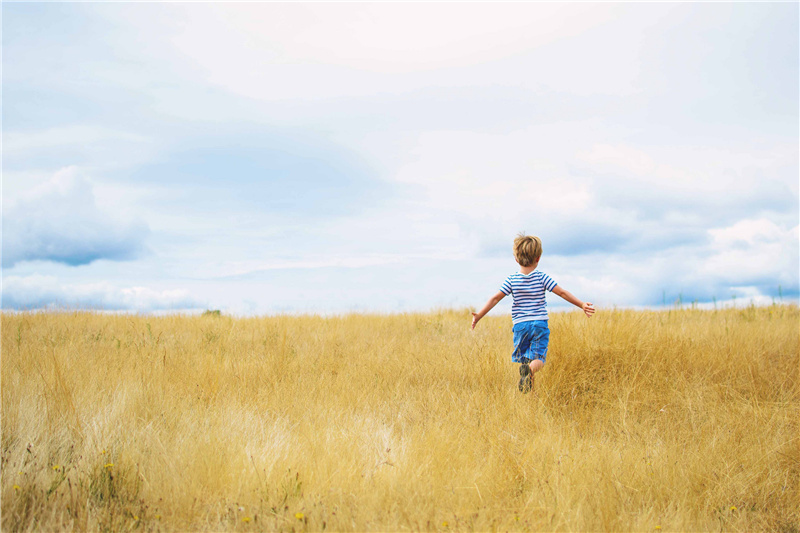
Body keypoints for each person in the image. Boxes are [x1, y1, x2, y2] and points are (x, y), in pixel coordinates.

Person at [471, 234, 595, 393]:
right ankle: (530, 372)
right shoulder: (542, 278)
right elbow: (562, 293)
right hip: (539, 324)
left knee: (526, 361)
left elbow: (495, 298)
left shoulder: (512, 280)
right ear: (538, 258)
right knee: (538, 360)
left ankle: (530, 392)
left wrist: (479, 315)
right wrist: (581, 304)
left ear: (516, 259)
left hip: (520, 325)